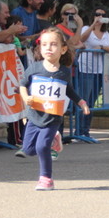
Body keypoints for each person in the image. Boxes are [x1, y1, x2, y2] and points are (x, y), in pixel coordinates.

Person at [18, 27, 90, 190]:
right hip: (34, 116)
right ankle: (54, 140)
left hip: (52, 117)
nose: (48, 48)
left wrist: (81, 102)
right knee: (29, 150)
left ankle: (46, 179)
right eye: (44, 45)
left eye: (53, 44)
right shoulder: (34, 68)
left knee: (41, 147)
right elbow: (22, 85)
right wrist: (26, 98)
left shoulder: (64, 72)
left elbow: (69, 90)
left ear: (63, 49)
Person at [75, 7, 109, 138]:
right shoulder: (86, 28)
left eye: (102, 15)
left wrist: (102, 47)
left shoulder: (106, 33)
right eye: (97, 14)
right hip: (86, 69)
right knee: (84, 100)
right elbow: (81, 39)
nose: (100, 17)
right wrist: (93, 24)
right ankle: (78, 131)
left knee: (92, 102)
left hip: (99, 70)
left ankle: (85, 131)